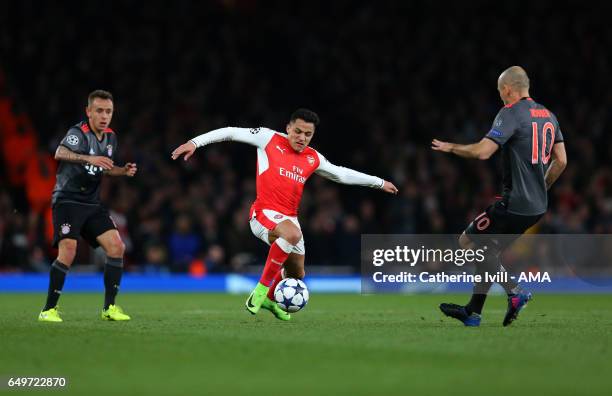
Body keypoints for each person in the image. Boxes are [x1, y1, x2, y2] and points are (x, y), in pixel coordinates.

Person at [172, 109, 398, 320]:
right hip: (263, 214)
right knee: (292, 234)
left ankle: (270, 299)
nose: (302, 137)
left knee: (296, 274)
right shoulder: (268, 138)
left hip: (289, 219)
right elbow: (230, 132)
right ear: (288, 128)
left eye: (308, 134)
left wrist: (379, 183)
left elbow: (341, 174)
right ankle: (260, 290)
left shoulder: (313, 158)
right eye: (298, 131)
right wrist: (195, 142)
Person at [431, 66, 567, 326]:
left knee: (467, 242)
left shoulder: (511, 113)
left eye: (499, 91)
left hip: (515, 202)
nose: (500, 96)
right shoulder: (549, 116)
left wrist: (451, 147)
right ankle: (473, 313)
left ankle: (515, 292)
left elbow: (483, 152)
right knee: (487, 251)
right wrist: (542, 187)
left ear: (507, 89)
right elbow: (561, 161)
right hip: (537, 206)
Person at [38, 90, 137, 322]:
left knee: (116, 247)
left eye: (109, 111)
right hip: (67, 201)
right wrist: (88, 158)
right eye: (99, 111)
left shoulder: (111, 137)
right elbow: (59, 152)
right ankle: (48, 310)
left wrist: (122, 171)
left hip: (92, 204)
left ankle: (109, 308)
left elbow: (105, 167)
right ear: (89, 112)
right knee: (69, 250)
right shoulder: (78, 133)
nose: (104, 116)